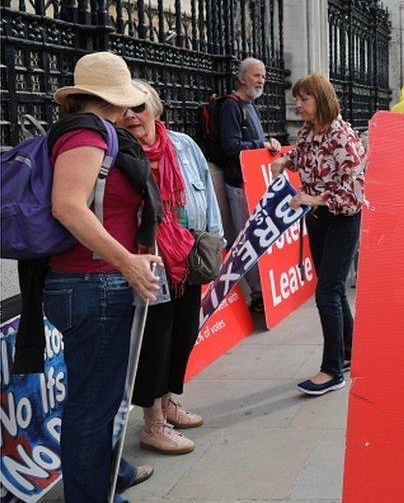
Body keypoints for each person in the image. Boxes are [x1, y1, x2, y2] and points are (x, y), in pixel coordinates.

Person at [43, 52, 160, 502]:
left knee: (102, 399)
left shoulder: (94, 133)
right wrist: (126, 261)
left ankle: (107, 479)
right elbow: (67, 205)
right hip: (92, 282)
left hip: (93, 282)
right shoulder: (88, 135)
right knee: (93, 405)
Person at [117, 80, 223, 455]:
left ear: (155, 108)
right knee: (155, 342)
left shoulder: (183, 145)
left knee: (182, 335)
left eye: (139, 107)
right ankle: (153, 422)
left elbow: (207, 197)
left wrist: (214, 243)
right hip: (150, 262)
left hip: (186, 257)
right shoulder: (119, 152)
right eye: (123, 109)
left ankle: (167, 404)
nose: (131, 116)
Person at [270, 74, 365, 395]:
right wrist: (285, 159)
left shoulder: (342, 136)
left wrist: (312, 198)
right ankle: (349, 353)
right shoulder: (310, 130)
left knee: (327, 293)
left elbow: (354, 193)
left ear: (321, 100)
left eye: (304, 99)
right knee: (333, 291)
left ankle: (332, 370)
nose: (298, 105)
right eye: (297, 99)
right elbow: (303, 155)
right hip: (317, 219)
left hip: (341, 219)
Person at [217, 57, 281, 313]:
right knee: (250, 238)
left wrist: (270, 144)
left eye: (263, 76)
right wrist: (260, 146)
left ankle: (265, 289)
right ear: (242, 78)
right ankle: (257, 295)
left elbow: (255, 142)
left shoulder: (250, 106)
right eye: (256, 75)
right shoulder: (232, 107)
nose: (261, 80)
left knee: (261, 236)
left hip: (254, 183)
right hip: (239, 184)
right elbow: (231, 146)